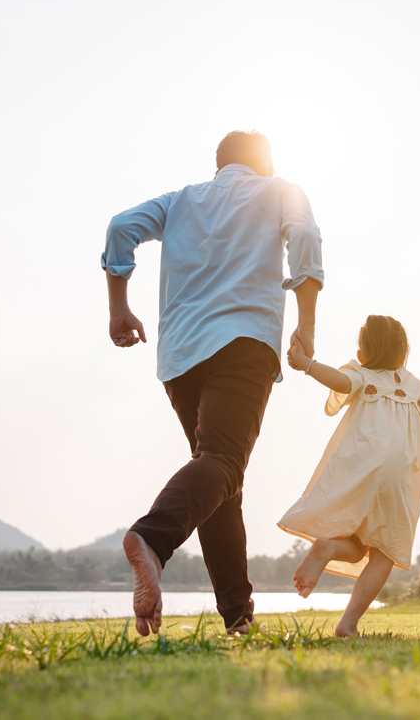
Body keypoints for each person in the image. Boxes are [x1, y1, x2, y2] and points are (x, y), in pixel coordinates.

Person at [100, 130, 324, 637]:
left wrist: (119, 309)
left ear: (218, 164)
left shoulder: (180, 201)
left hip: (180, 356)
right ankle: (152, 541)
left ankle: (238, 618)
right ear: (264, 163)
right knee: (223, 465)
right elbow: (305, 238)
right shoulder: (281, 189)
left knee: (221, 482)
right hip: (243, 342)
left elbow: (120, 227)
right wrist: (306, 321)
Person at [278, 315, 420, 637]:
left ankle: (327, 547)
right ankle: (348, 623)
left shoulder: (361, 374)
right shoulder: (417, 387)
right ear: (403, 355)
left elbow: (340, 384)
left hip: (362, 464)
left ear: (362, 355)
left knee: (356, 544)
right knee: (385, 553)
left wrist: (307, 364)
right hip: (397, 475)